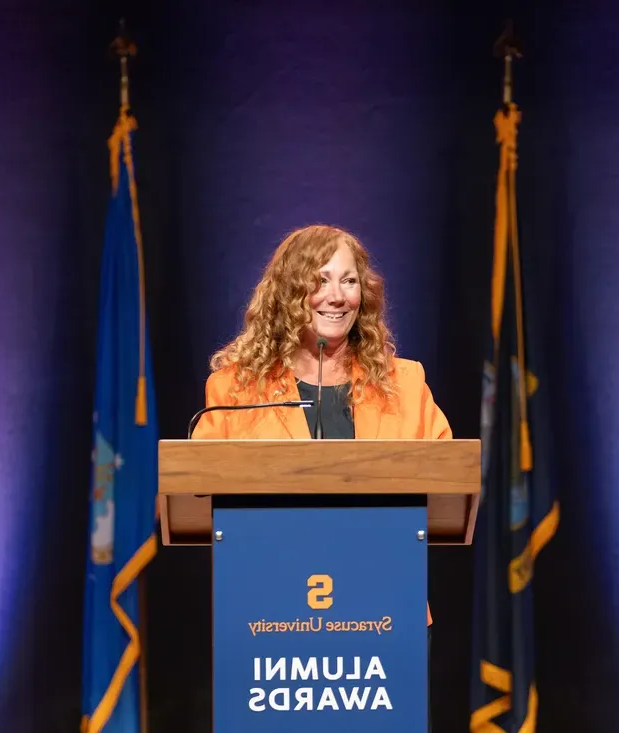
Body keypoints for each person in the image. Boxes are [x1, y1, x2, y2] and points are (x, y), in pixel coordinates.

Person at [191, 223, 448, 724]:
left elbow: (449, 478)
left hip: (383, 619)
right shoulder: (235, 389)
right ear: (289, 292)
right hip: (271, 622)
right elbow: (199, 484)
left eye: (348, 281)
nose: (336, 296)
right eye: (320, 279)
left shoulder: (406, 384)